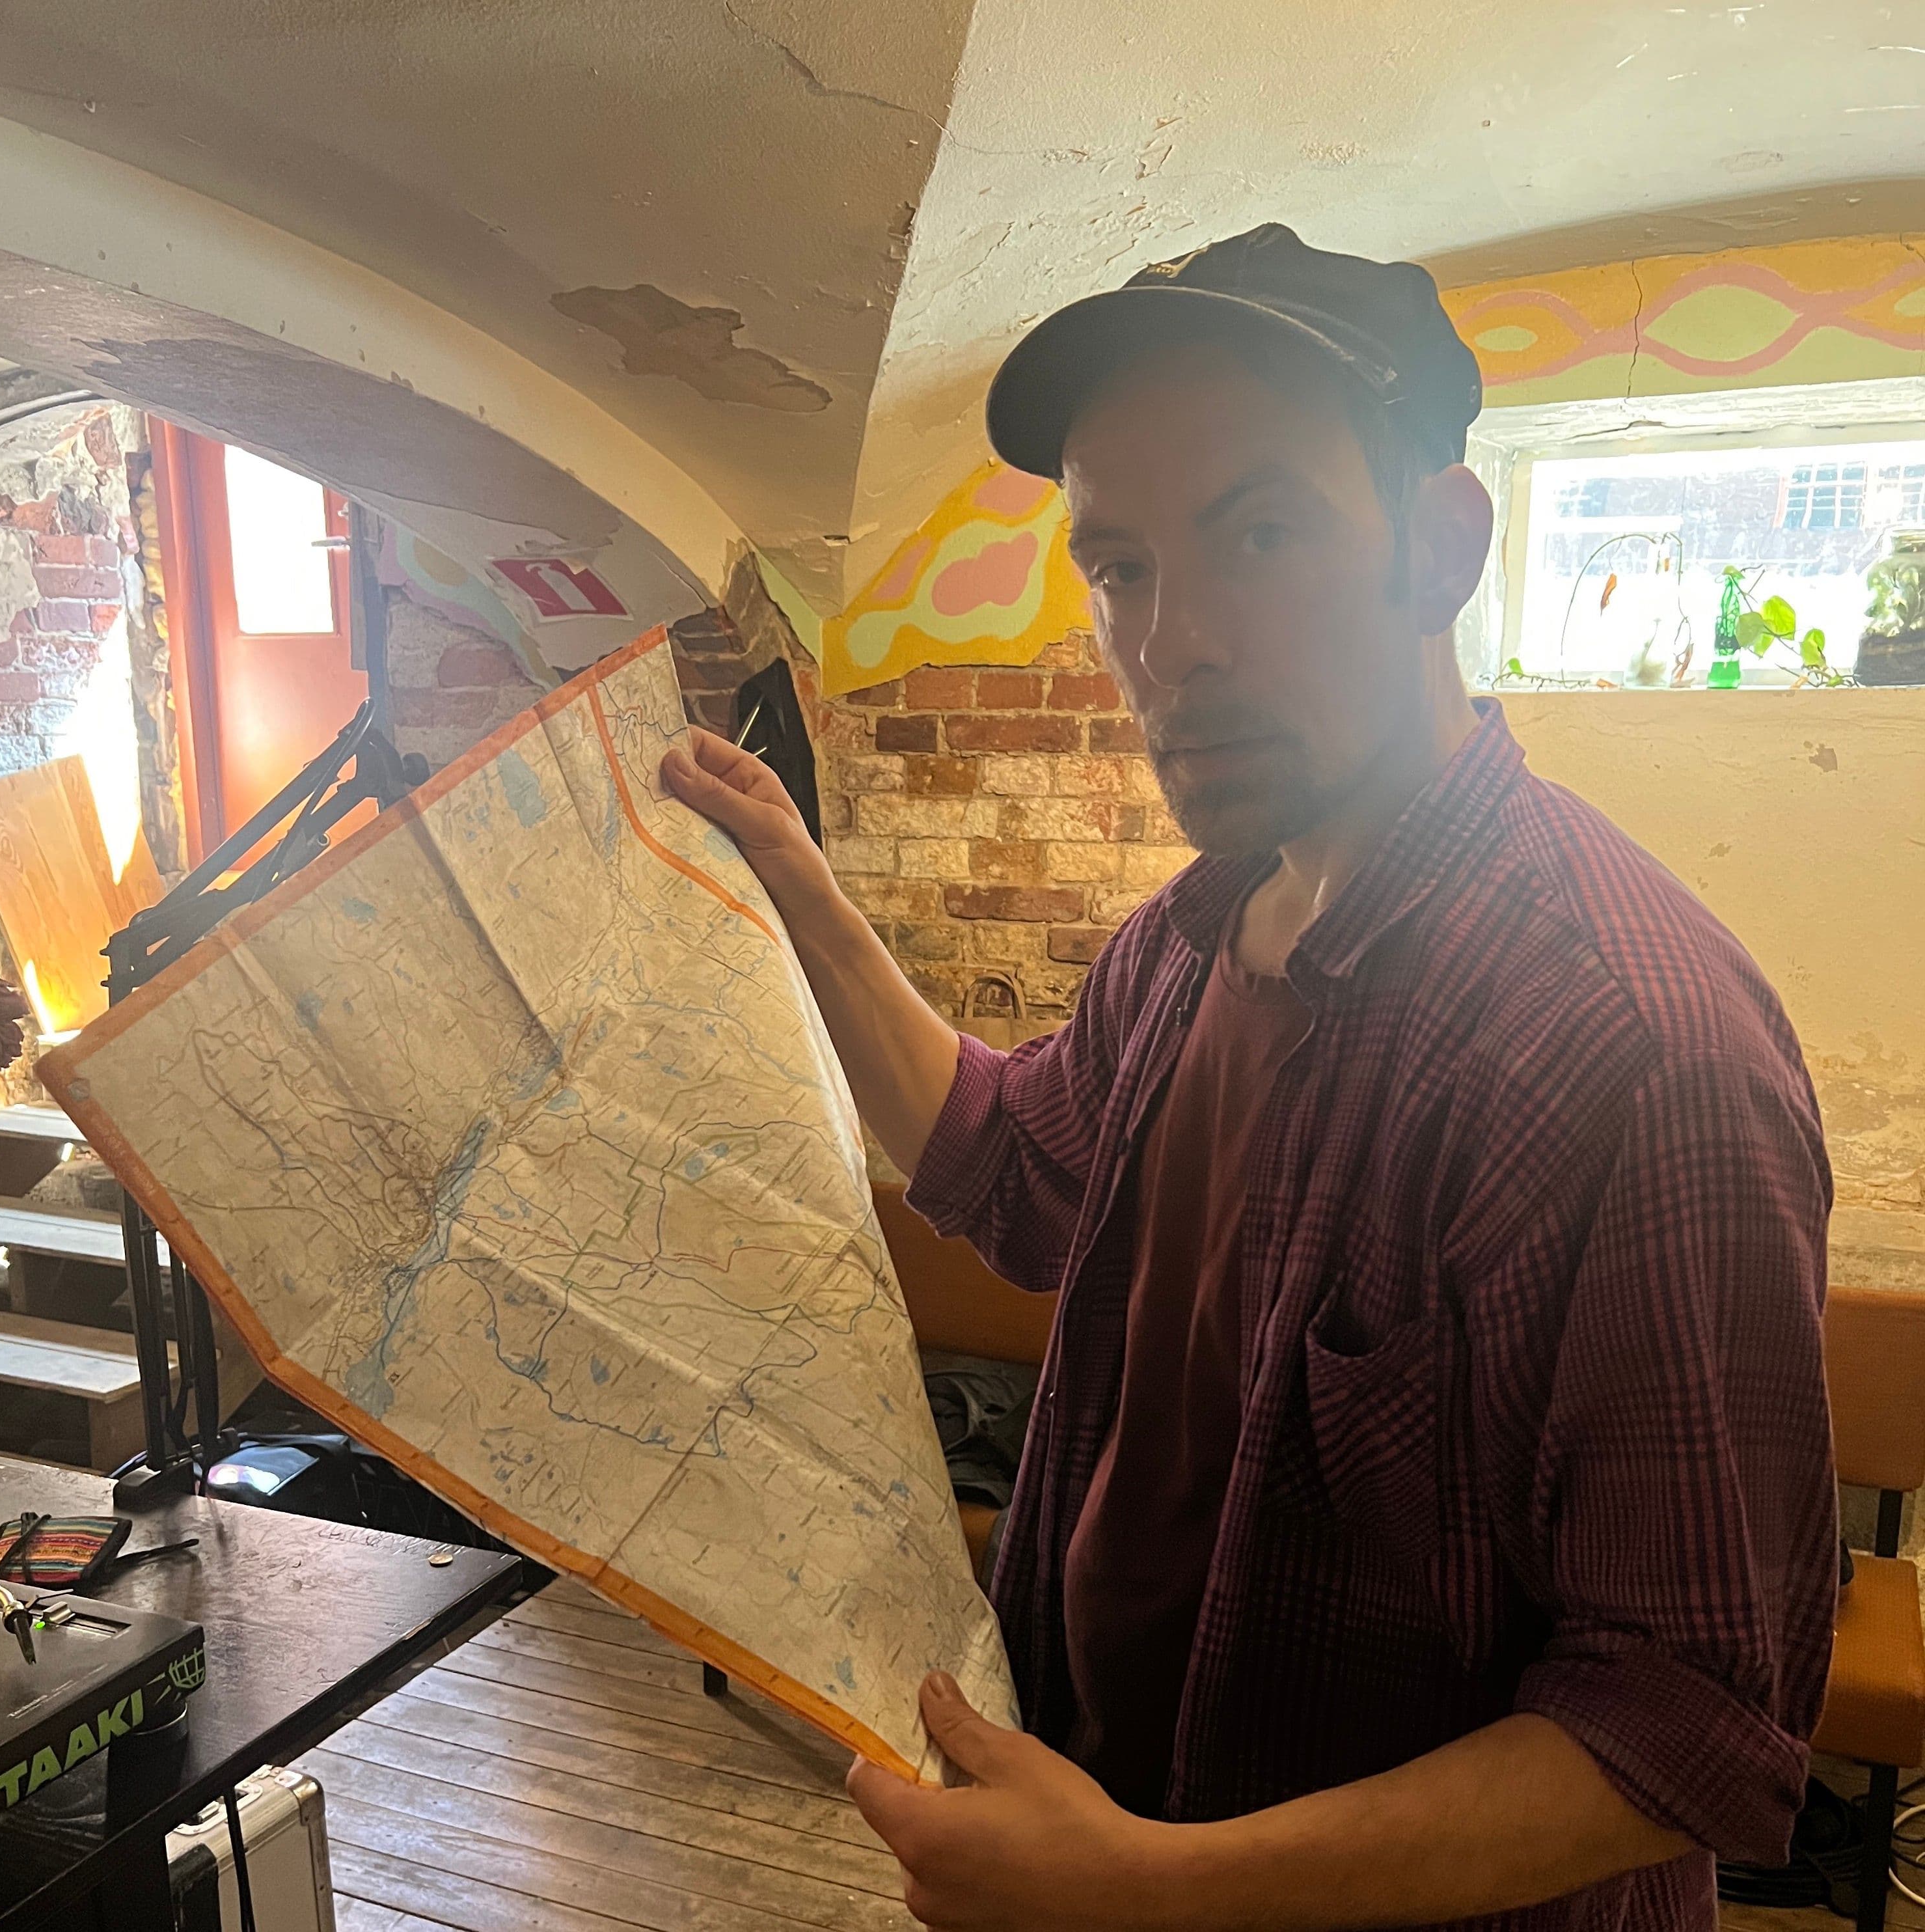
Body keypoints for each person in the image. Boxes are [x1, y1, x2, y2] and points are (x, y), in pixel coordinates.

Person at [662, 225, 1835, 1932]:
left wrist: (1150, 1892)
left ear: (1440, 550)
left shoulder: (1632, 1056)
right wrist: (799, 884)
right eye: (1121, 565)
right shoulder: (1193, 936)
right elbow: (1008, 1162)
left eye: (1262, 534)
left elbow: (1683, 1727)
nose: (1173, 642)